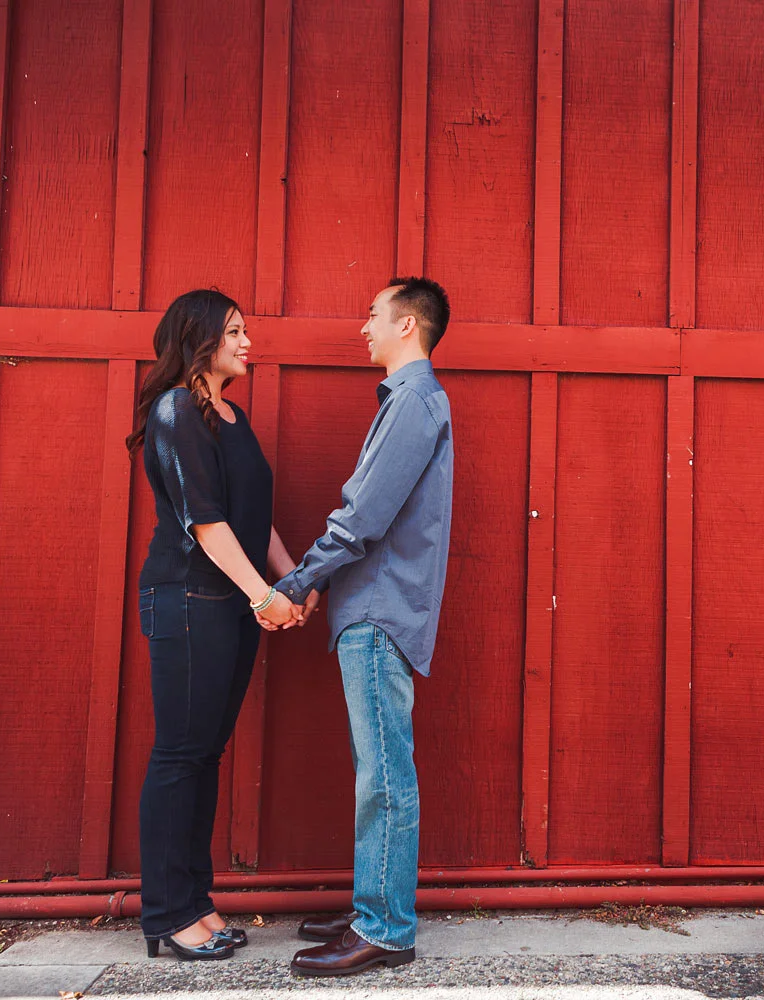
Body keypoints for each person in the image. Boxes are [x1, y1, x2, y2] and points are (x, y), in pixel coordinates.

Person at [275, 277, 454, 977]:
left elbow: (362, 517)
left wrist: (296, 582)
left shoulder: (412, 402)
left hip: (379, 612)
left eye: (373, 316)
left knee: (384, 773)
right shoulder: (408, 401)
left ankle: (385, 930)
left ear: (407, 325)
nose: (364, 329)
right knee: (376, 768)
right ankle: (372, 906)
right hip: (372, 608)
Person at [127, 289, 304, 960]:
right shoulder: (177, 410)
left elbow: (253, 513)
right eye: (234, 331)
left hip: (230, 602)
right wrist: (264, 597)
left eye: (246, 329)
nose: (247, 341)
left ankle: (195, 904)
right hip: (188, 600)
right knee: (179, 756)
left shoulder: (231, 415)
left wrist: (288, 579)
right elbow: (205, 524)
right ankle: (169, 915)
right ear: (198, 340)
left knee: (203, 756)